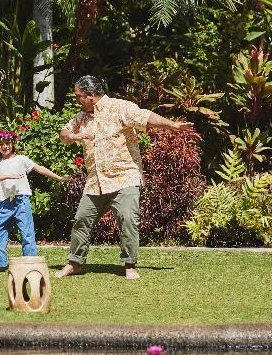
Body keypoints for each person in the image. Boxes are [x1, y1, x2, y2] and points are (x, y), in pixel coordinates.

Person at [55, 75, 194, 280]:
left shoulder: (120, 107)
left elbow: (145, 117)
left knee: (128, 219)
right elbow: (64, 134)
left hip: (124, 177)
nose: (77, 100)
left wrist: (172, 125)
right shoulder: (82, 117)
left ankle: (129, 265)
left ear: (91, 95)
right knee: (82, 219)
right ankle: (75, 264)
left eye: (79, 96)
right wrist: (73, 136)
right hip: (96, 181)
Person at [0, 130, 69, 270]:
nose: (5, 146)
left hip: (21, 201)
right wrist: (9, 176)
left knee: (26, 234)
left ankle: (30, 263)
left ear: (12, 144)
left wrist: (59, 178)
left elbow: (40, 169)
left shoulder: (22, 159)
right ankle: (0, 264)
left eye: (7, 143)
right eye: (1, 144)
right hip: (5, 204)